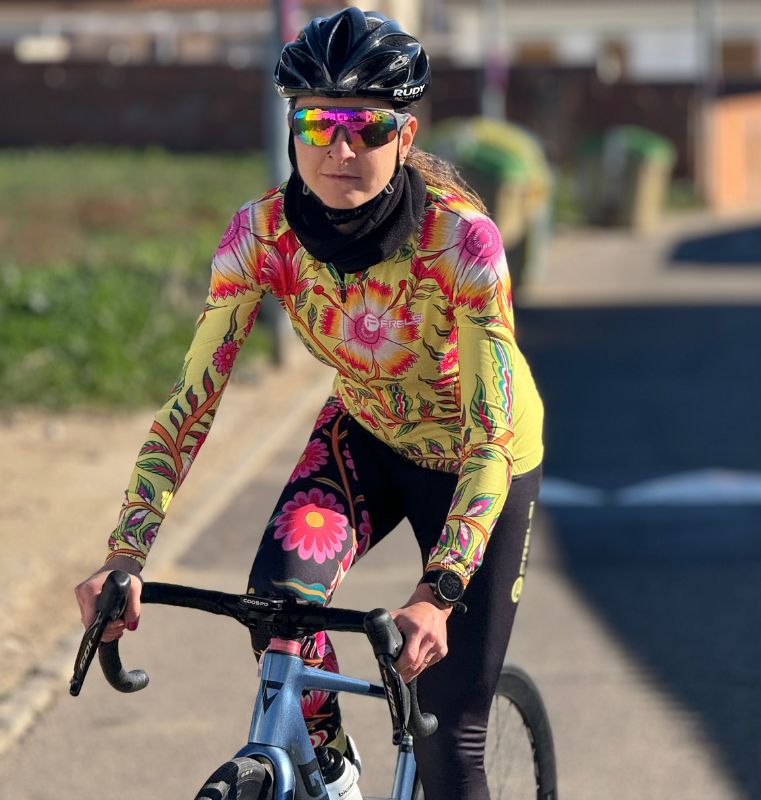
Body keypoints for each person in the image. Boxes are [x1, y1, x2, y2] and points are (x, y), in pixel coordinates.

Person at [74, 8, 544, 800]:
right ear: (293, 126)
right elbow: (192, 401)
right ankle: (329, 767)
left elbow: (492, 439)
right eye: (318, 121)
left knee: (449, 745)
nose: (340, 147)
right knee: (278, 613)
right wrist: (125, 555)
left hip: (481, 461)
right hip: (366, 432)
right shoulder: (259, 236)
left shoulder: (463, 244)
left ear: (405, 134)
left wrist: (439, 590)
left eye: (366, 126)